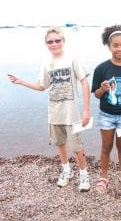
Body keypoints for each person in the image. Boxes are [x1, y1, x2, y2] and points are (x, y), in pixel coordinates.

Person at [8, 27, 91, 192]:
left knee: (76, 146)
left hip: (71, 113)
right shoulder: (47, 64)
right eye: (50, 42)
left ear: (63, 41)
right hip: (54, 113)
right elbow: (41, 86)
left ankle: (84, 174)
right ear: (46, 44)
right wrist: (21, 81)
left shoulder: (72, 59)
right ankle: (66, 171)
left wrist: (86, 110)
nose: (54, 44)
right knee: (59, 143)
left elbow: (84, 82)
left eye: (57, 40)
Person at [91, 25, 121, 192]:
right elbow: (96, 95)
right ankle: (103, 177)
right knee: (106, 147)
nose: (120, 49)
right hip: (106, 115)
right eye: (116, 45)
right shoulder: (101, 68)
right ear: (109, 46)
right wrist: (103, 89)